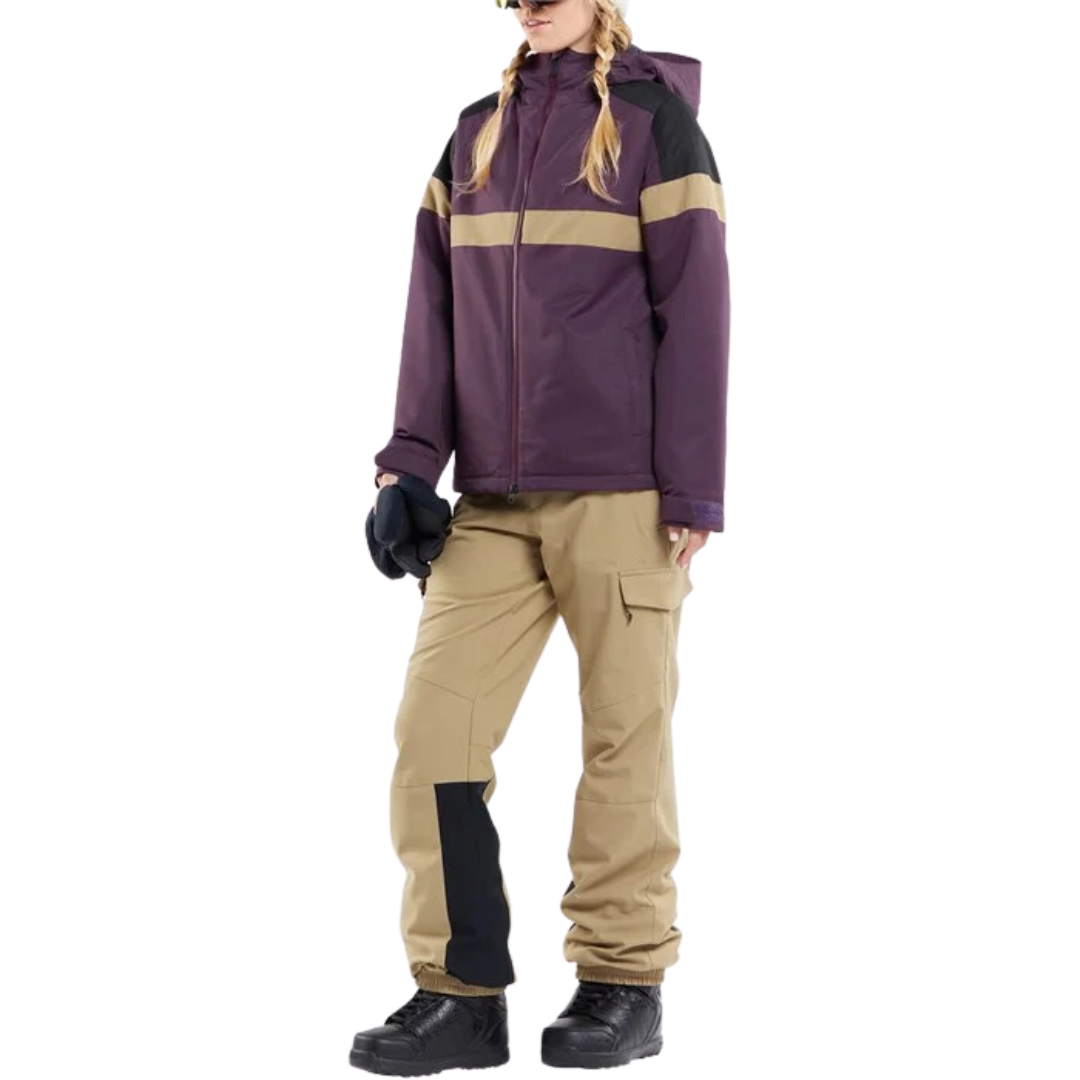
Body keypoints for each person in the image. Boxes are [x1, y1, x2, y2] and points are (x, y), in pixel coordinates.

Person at [351, 0, 730, 1072]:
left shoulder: (656, 123)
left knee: (623, 739)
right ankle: (461, 992)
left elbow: (699, 307)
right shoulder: (476, 131)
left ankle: (622, 980)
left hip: (623, 492)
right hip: (491, 502)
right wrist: (407, 463)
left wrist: (692, 488)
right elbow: (433, 307)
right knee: (435, 735)